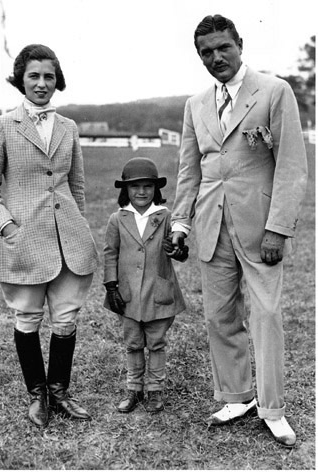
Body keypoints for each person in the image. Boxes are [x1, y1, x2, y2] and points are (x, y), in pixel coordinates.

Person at [171, 15, 307, 446]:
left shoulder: (274, 91)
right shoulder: (195, 104)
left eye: (222, 47)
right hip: (212, 226)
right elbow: (189, 170)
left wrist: (278, 228)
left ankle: (272, 409)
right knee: (219, 317)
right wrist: (180, 222)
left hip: (260, 228)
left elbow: (290, 165)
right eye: (206, 52)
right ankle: (236, 395)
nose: (216, 58)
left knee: (265, 316)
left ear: (239, 44)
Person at [0, 44, 98, 427]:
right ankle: (37, 394)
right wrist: (7, 227)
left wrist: (78, 227)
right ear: (21, 79)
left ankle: (59, 390)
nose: (42, 83)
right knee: (27, 317)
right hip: (23, 241)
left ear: (56, 80)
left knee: (65, 319)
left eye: (49, 76)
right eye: (34, 76)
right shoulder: (2, 127)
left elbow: (76, 186)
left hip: (68, 241)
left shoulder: (69, 127)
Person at [103, 157, 187, 413]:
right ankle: (134, 389)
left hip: (158, 293)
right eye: (135, 187)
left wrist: (178, 250)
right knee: (132, 343)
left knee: (157, 342)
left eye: (148, 187)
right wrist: (111, 286)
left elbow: (181, 250)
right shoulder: (117, 219)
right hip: (127, 295)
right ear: (125, 190)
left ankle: (155, 391)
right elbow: (110, 253)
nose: (141, 192)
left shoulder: (165, 217)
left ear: (156, 189)